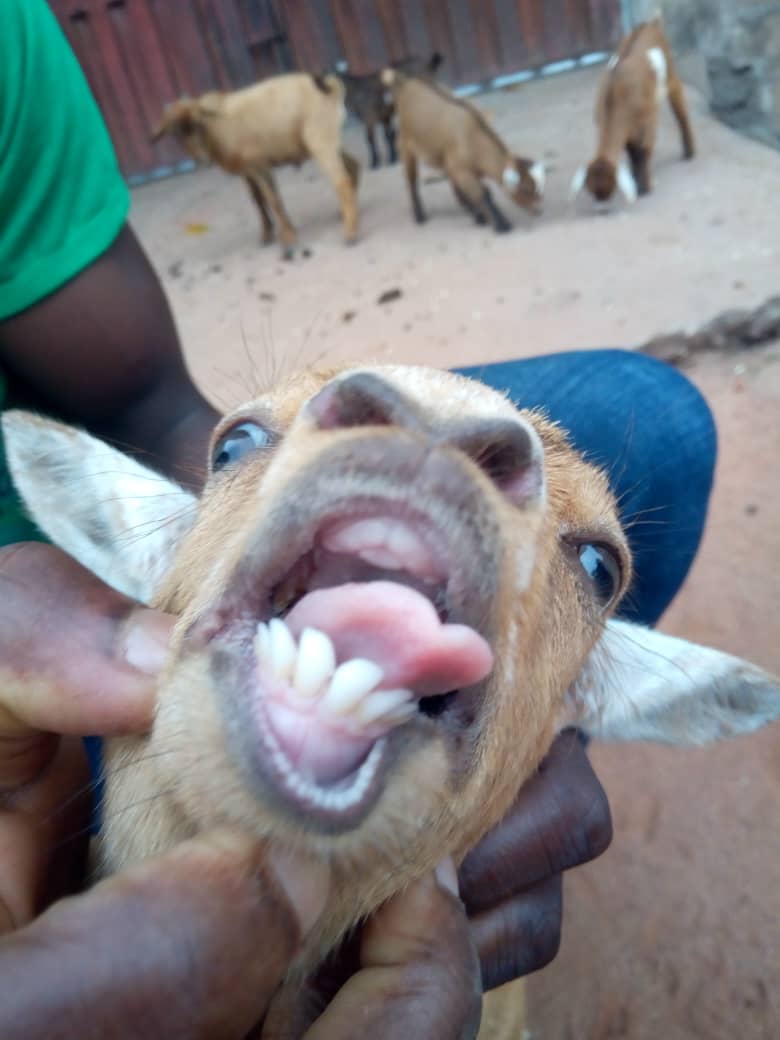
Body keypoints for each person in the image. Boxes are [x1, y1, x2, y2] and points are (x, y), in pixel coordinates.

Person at [0, 1, 716, 1035]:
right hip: (68, 674)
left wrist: (257, 462)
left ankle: (537, 697)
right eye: (245, 447)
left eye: (592, 568)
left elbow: (148, 399)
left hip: (104, 629)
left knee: (659, 419)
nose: (435, 435)